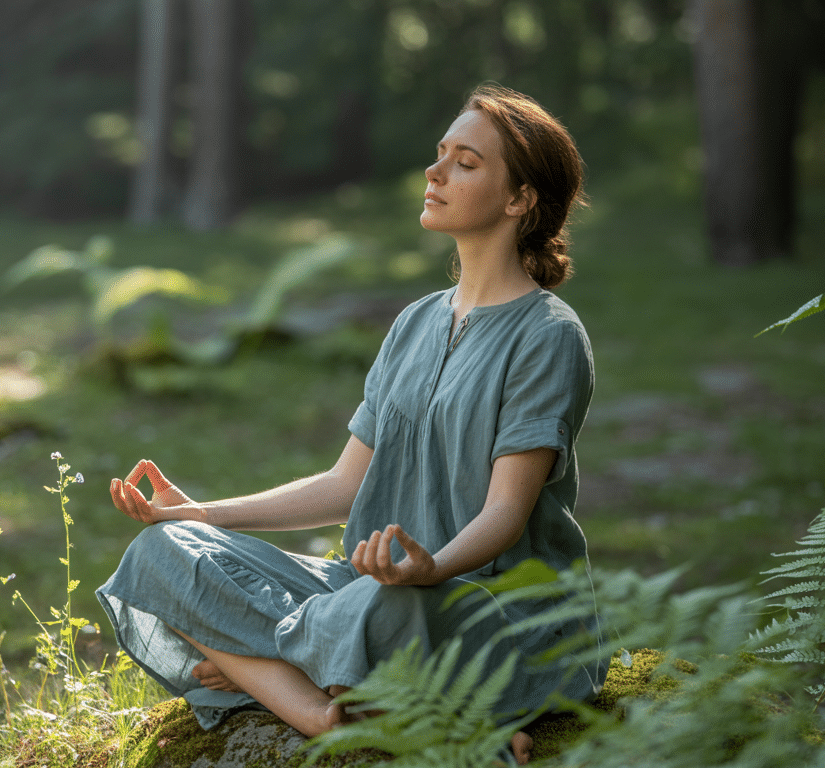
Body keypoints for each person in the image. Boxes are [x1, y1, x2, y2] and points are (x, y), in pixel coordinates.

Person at [96, 83, 602, 765]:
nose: (435, 172)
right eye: (440, 154)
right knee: (164, 551)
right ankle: (320, 707)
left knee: (378, 612)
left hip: (483, 607)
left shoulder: (549, 336)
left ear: (520, 199)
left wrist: (430, 570)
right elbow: (344, 485)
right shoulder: (416, 322)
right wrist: (203, 514)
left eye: (465, 163)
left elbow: (505, 515)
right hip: (367, 589)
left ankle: (269, 673)